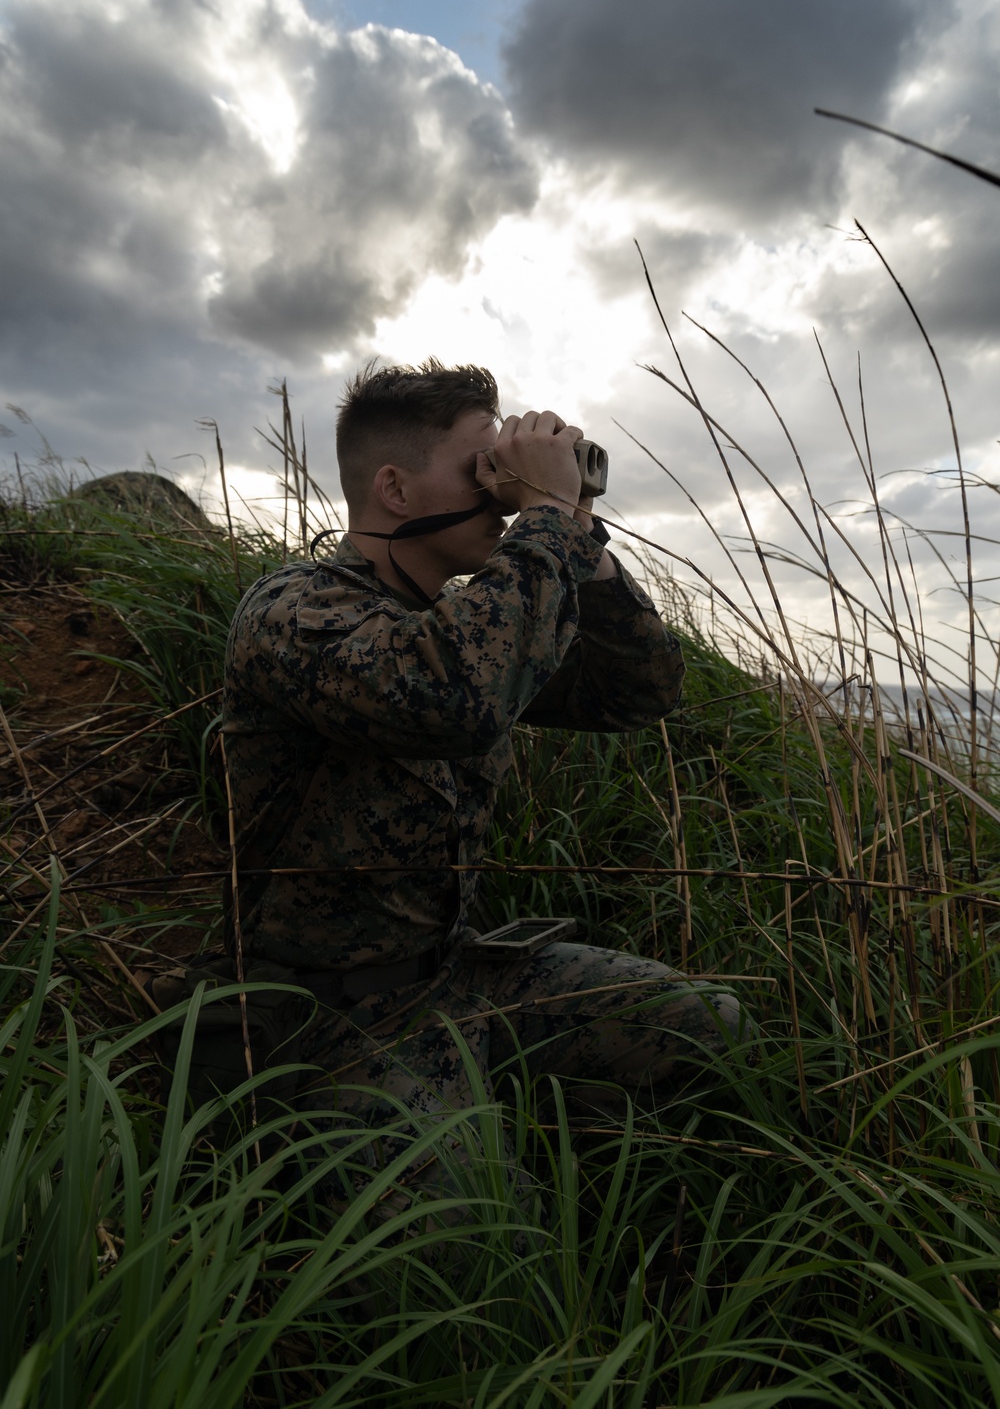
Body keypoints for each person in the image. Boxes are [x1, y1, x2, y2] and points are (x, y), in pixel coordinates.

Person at [220, 359, 748, 1196]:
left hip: (456, 978)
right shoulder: (294, 613)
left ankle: (562, 1147)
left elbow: (636, 690)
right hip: (324, 1016)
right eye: (480, 467)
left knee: (703, 1027)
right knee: (486, 1249)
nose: (498, 485)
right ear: (394, 489)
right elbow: (454, 696)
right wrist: (541, 518)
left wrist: (579, 531)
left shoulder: (465, 622)